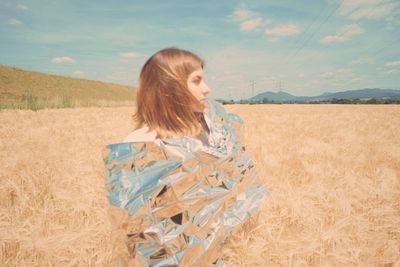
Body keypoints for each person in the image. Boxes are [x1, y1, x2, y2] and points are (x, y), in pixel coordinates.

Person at [102, 47, 270, 267]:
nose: (207, 89)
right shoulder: (139, 145)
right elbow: (136, 233)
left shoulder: (208, 134)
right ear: (169, 87)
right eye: (197, 81)